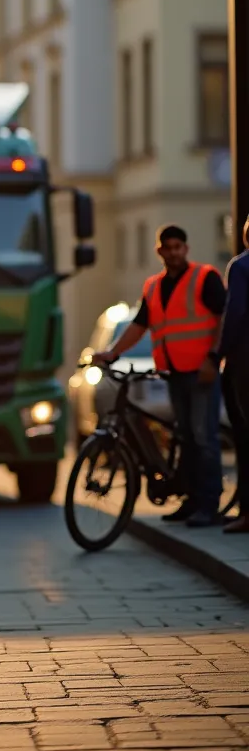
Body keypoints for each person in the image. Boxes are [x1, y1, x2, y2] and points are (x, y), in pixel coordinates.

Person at [93, 224, 226, 527]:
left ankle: (209, 504)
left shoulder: (204, 278)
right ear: (160, 251)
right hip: (175, 373)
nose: (174, 252)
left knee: (204, 437)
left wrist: (213, 357)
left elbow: (223, 316)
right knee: (186, 437)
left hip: (201, 372)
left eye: (179, 246)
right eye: (169, 247)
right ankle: (191, 501)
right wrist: (111, 352)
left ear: (186, 249)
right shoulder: (153, 286)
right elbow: (139, 325)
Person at [217, 214, 249, 534]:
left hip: (245, 361)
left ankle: (248, 513)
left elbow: (236, 312)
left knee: (245, 434)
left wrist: (219, 353)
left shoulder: (241, 266)